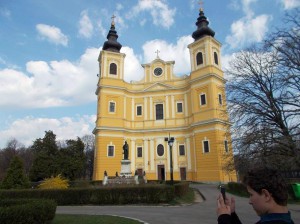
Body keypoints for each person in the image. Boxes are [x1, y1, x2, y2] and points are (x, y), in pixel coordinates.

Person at [217, 168, 294, 224]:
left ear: (266, 195)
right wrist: (232, 214)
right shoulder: (286, 220)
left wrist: (223, 218)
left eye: (251, 194)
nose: (249, 201)